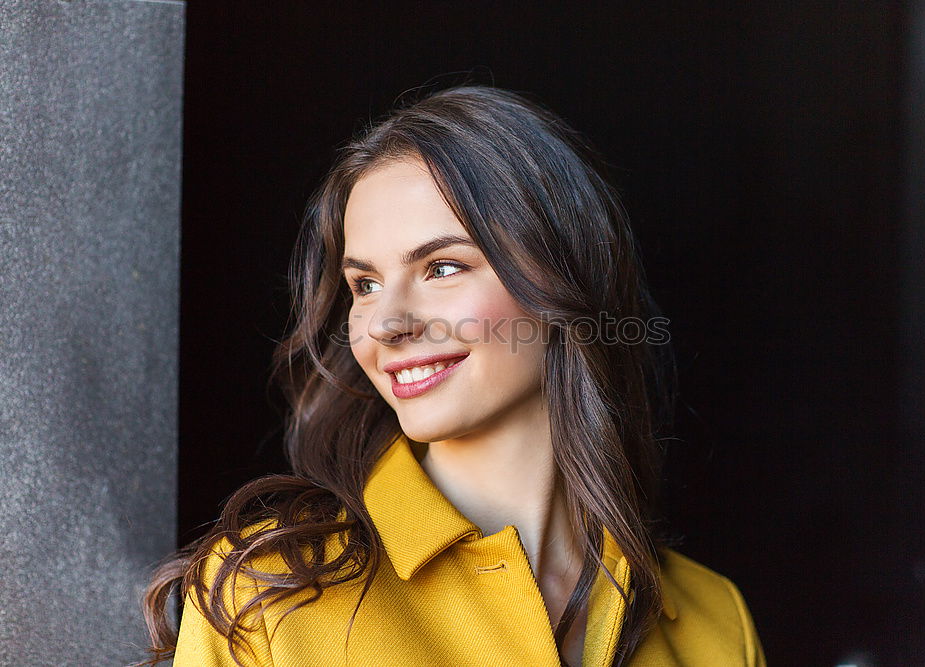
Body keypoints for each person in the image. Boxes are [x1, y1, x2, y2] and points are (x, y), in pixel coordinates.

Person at [136, 85, 766, 667]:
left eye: (441, 267)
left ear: (563, 278)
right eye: (365, 284)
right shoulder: (270, 594)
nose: (386, 323)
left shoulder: (715, 623)